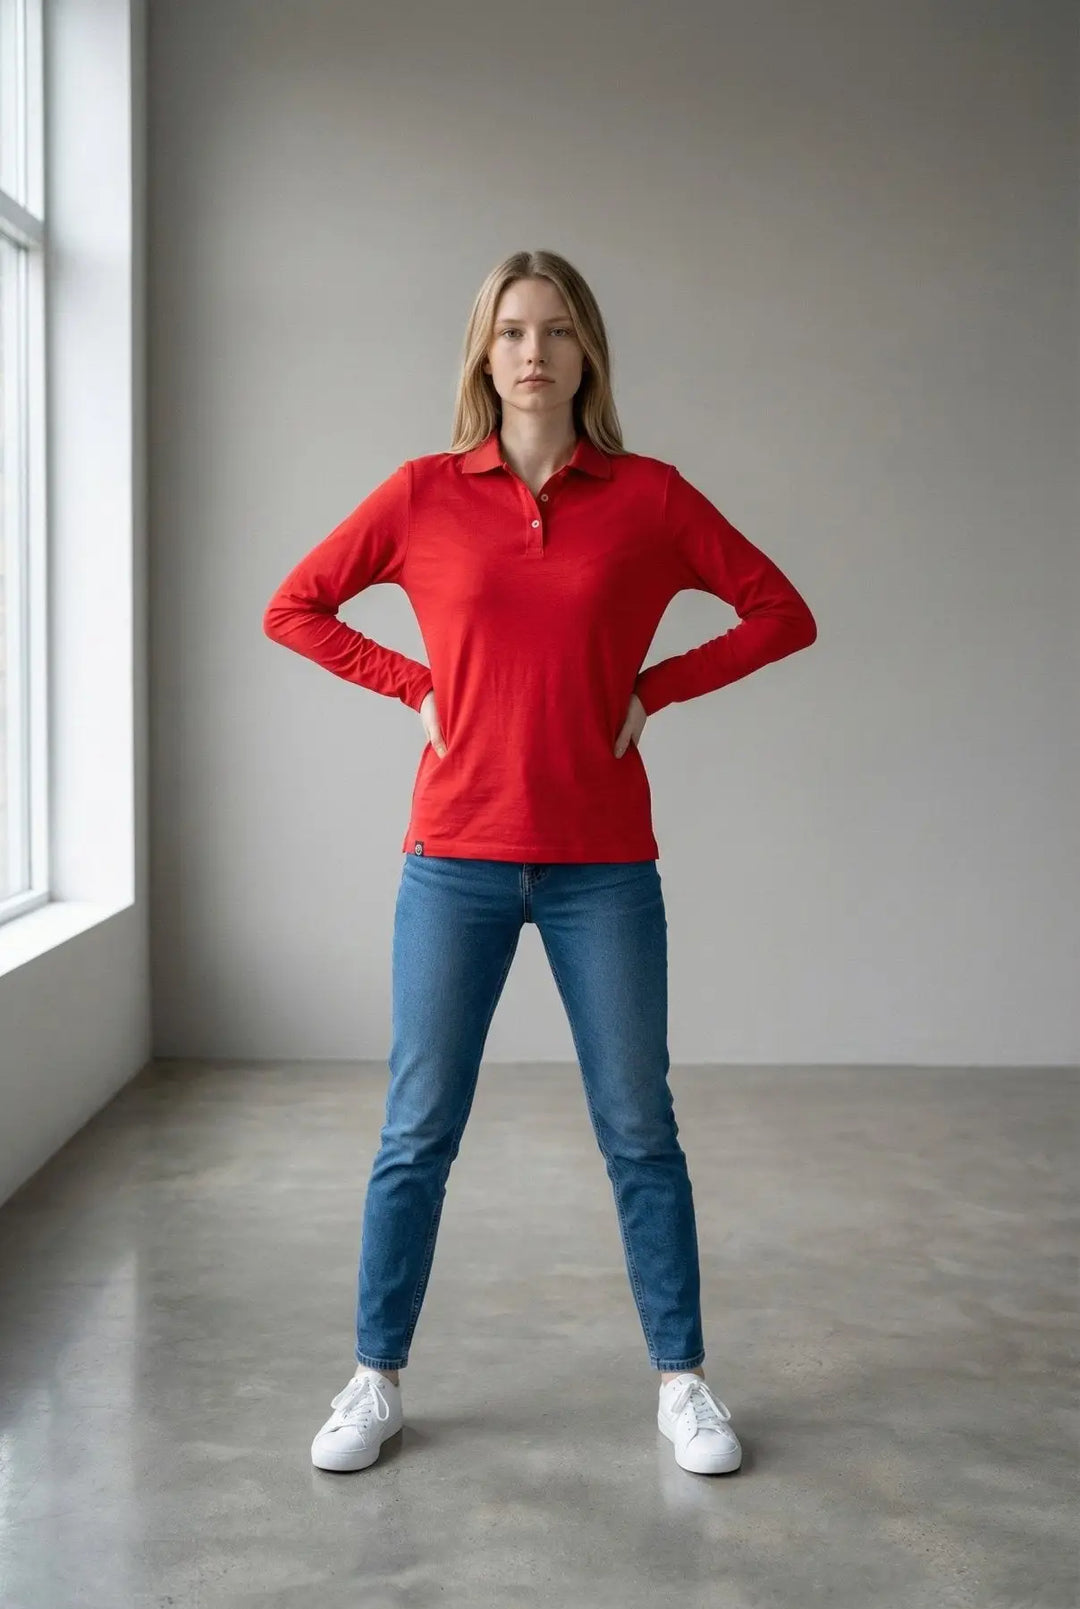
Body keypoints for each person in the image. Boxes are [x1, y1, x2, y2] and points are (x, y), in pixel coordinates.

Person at [262, 248, 817, 1477]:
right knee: (417, 1129)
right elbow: (294, 606)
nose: (533, 352)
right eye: (512, 329)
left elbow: (782, 611)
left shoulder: (650, 497)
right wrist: (411, 683)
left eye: (558, 330)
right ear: (483, 351)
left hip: (601, 865)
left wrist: (654, 690)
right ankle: (374, 1376)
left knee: (640, 1128)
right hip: (453, 857)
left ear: (587, 353)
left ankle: (682, 1381)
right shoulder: (421, 494)